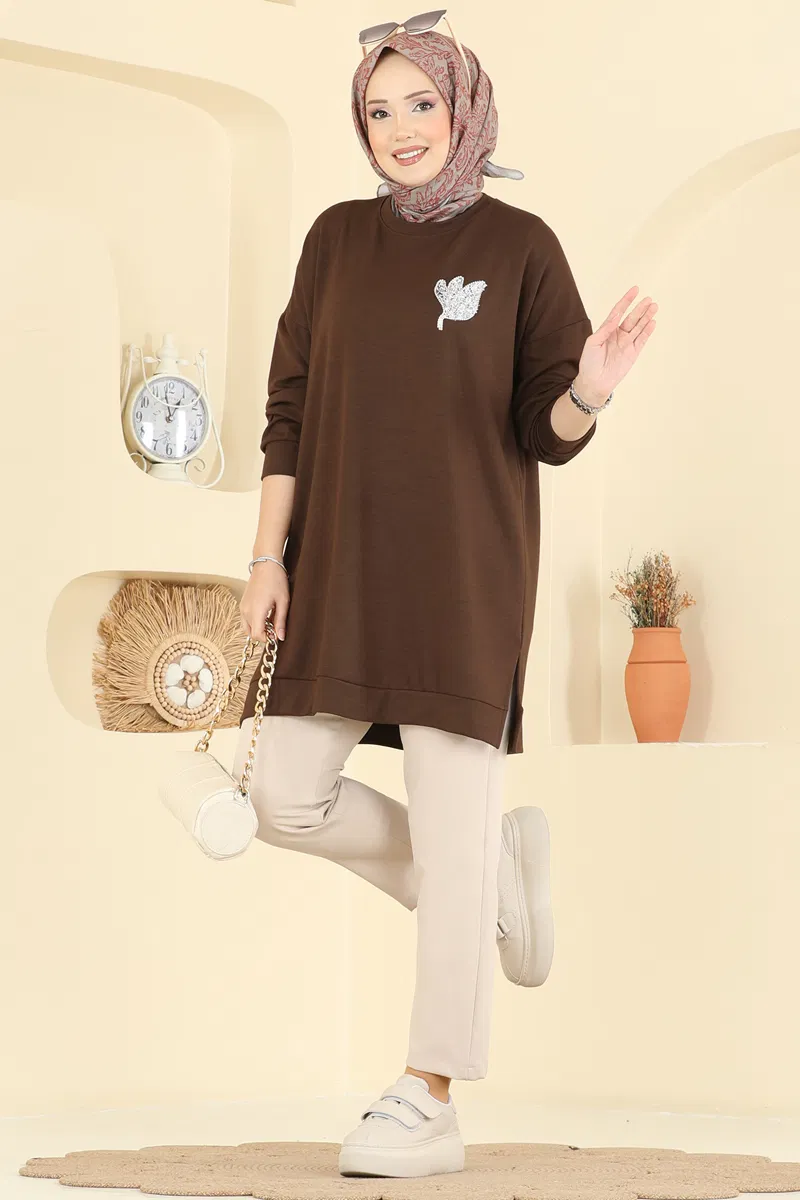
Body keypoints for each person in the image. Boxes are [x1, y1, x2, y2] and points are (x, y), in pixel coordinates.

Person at [233, 13, 658, 1181]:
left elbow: (545, 431)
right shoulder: (335, 240)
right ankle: (486, 881)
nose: (399, 129)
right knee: (281, 797)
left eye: (419, 104)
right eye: (378, 111)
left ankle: (428, 1096)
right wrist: (266, 559)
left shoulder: (520, 246)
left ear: (462, 108)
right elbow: (287, 411)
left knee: (451, 812)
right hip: (336, 572)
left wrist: (589, 390)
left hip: (463, 581)